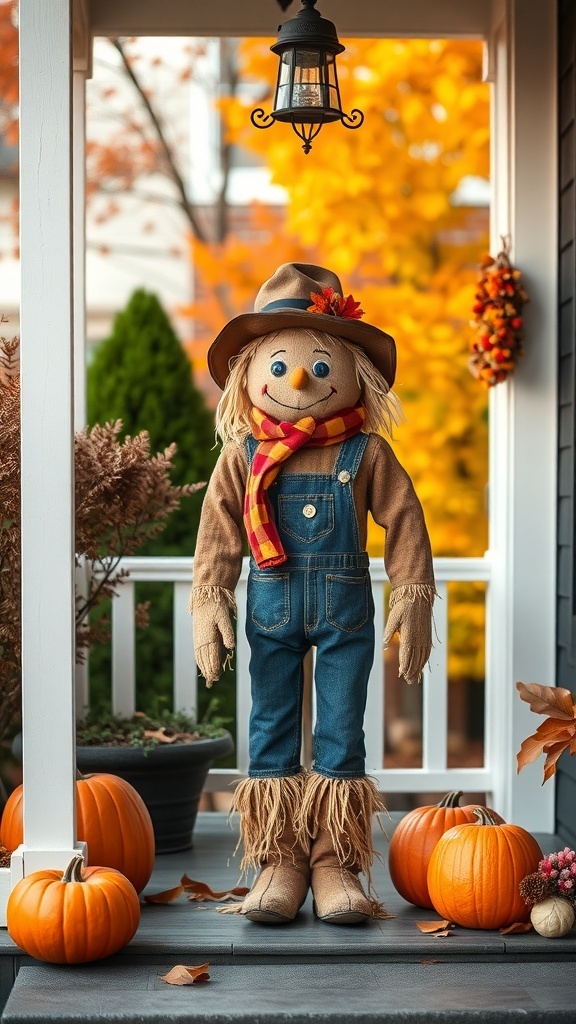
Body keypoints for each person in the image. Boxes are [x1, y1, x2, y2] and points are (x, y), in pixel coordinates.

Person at [191, 263, 435, 924]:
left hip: (345, 618)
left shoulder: (366, 452)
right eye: (279, 366)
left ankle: (334, 862)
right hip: (271, 613)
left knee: (341, 734)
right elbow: (218, 527)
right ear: (249, 375)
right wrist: (210, 597)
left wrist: (414, 594)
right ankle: (279, 860)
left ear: (355, 373)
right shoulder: (243, 454)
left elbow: (405, 519)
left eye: (320, 367)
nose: (299, 379)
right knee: (270, 730)